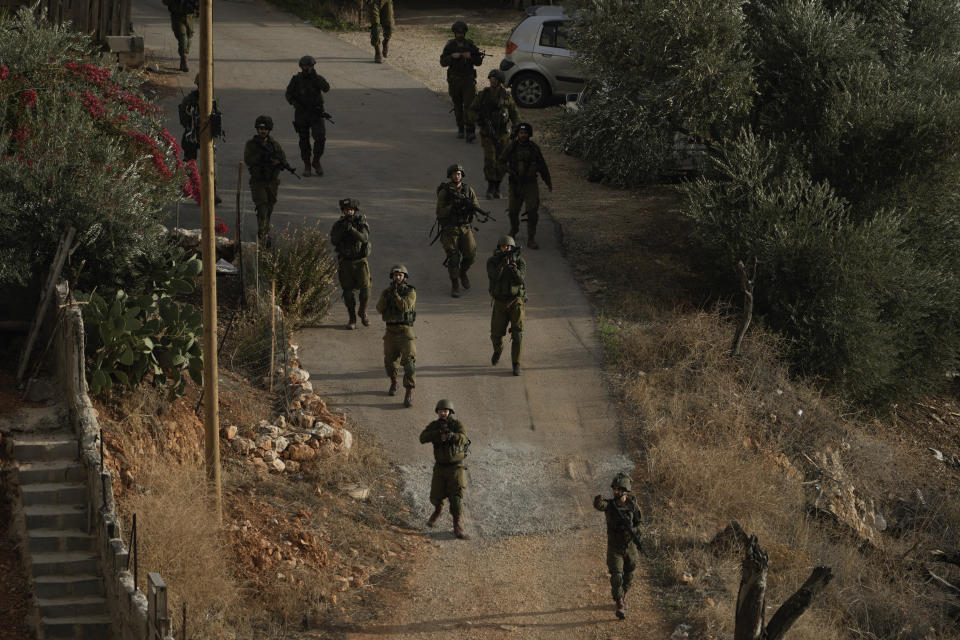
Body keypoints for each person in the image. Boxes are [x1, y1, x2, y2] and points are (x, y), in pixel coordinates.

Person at [593, 473, 643, 620]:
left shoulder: (633, 506)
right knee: (616, 575)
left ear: (625, 490)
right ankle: (620, 603)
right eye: (614, 489)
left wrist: (633, 530)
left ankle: (622, 595)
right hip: (615, 547)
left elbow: (640, 524)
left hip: (630, 546)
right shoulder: (610, 505)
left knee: (629, 574)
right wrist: (597, 499)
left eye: (618, 489)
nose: (615, 491)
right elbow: (599, 505)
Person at [419, 399, 470, 539]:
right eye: (440, 411)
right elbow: (422, 438)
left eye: (445, 411)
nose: (443, 413)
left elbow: (464, 438)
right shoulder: (434, 426)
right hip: (440, 467)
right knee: (436, 495)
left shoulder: (456, 424)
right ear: (437, 412)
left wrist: (451, 436)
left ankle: (457, 525)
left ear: (450, 412)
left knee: (456, 497)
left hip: (456, 467)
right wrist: (436, 433)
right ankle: (438, 510)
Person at [498, 122, 552, 249]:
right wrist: (508, 171)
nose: (523, 135)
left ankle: (531, 238)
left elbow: (542, 165)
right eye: (521, 133)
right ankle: (514, 229)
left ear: (529, 134)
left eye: (525, 133)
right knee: (512, 210)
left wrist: (548, 181)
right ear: (517, 134)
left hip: (530, 184)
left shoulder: (534, 149)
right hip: (515, 184)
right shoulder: (512, 147)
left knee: (532, 211)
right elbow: (501, 162)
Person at [468, 69, 519, 199]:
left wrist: (515, 131)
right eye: (491, 78)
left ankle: (497, 185)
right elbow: (472, 110)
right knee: (490, 160)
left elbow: (515, 115)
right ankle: (491, 186)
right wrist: (478, 120)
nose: (492, 81)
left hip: (502, 134)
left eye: (495, 79)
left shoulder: (506, 97)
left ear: (500, 82)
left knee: (501, 161)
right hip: (487, 134)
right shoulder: (483, 95)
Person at [177, 74, 224, 204]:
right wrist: (192, 123)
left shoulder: (212, 100)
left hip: (207, 136)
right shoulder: (189, 100)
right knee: (189, 161)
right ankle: (188, 188)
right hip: (192, 136)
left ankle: (212, 191)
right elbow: (183, 118)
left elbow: (218, 117)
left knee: (211, 162)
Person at [435, 164, 480, 298]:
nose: (457, 176)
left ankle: (463, 271)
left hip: (465, 227)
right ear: (450, 175)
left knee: (471, 254)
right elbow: (439, 213)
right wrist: (452, 207)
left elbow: (476, 206)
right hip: (450, 229)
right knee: (453, 257)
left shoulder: (468, 190)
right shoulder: (445, 192)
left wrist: (469, 207)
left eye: (459, 174)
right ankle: (455, 284)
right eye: (454, 174)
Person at [376, 264, 416, 407]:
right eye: (395, 275)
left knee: (409, 364)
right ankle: (394, 382)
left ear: (404, 277)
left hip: (405, 331)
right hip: (390, 331)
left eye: (400, 275)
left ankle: (409, 392)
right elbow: (379, 309)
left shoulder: (410, 291)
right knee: (389, 362)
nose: (397, 277)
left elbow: (405, 306)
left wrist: (396, 295)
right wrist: (387, 296)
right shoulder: (387, 292)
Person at [242, 115, 286, 245]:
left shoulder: (275, 145)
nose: (263, 131)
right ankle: (263, 234)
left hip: (272, 182)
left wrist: (278, 162)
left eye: (265, 129)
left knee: (269, 208)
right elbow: (248, 160)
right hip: (258, 182)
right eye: (260, 128)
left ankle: (264, 229)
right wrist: (262, 157)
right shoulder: (251, 145)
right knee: (261, 208)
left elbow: (283, 160)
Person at [330, 198, 372, 330]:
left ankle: (362, 312)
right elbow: (334, 240)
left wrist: (352, 229)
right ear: (343, 211)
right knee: (348, 293)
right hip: (345, 262)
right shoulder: (338, 225)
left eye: (351, 210)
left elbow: (364, 238)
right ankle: (352, 318)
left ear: (355, 211)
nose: (349, 212)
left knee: (366, 290)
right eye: (347, 210)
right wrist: (343, 229)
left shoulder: (360, 223)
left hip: (360, 262)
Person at [486, 235, 526, 376]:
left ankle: (516, 364)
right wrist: (502, 265)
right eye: (503, 246)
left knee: (518, 334)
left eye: (508, 247)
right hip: (500, 303)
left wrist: (513, 268)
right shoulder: (492, 262)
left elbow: (520, 280)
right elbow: (493, 277)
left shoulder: (519, 261)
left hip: (516, 301)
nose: (506, 249)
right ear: (499, 248)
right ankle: (498, 350)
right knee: (496, 335)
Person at [285, 55, 330, 177]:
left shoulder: (317, 78)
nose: (307, 68)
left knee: (320, 137)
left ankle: (316, 161)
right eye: (305, 66)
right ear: (301, 67)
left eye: (309, 66)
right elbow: (288, 94)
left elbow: (326, 88)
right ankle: (307, 164)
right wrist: (295, 103)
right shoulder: (296, 79)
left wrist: (315, 77)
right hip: (301, 114)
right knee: (304, 140)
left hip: (316, 113)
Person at [440, 21, 482, 140]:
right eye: (458, 33)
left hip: (468, 80)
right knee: (458, 107)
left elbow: (478, 62)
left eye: (462, 33)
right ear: (454, 33)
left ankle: (470, 130)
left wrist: (471, 57)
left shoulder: (470, 45)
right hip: (454, 81)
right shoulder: (450, 46)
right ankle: (461, 128)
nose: (460, 35)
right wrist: (451, 57)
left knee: (469, 105)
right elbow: (442, 62)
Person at [162, 0, 199, 72]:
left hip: (189, 17)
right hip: (177, 17)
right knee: (183, 37)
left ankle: (183, 58)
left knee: (188, 38)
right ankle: (184, 58)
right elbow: (165, 1)